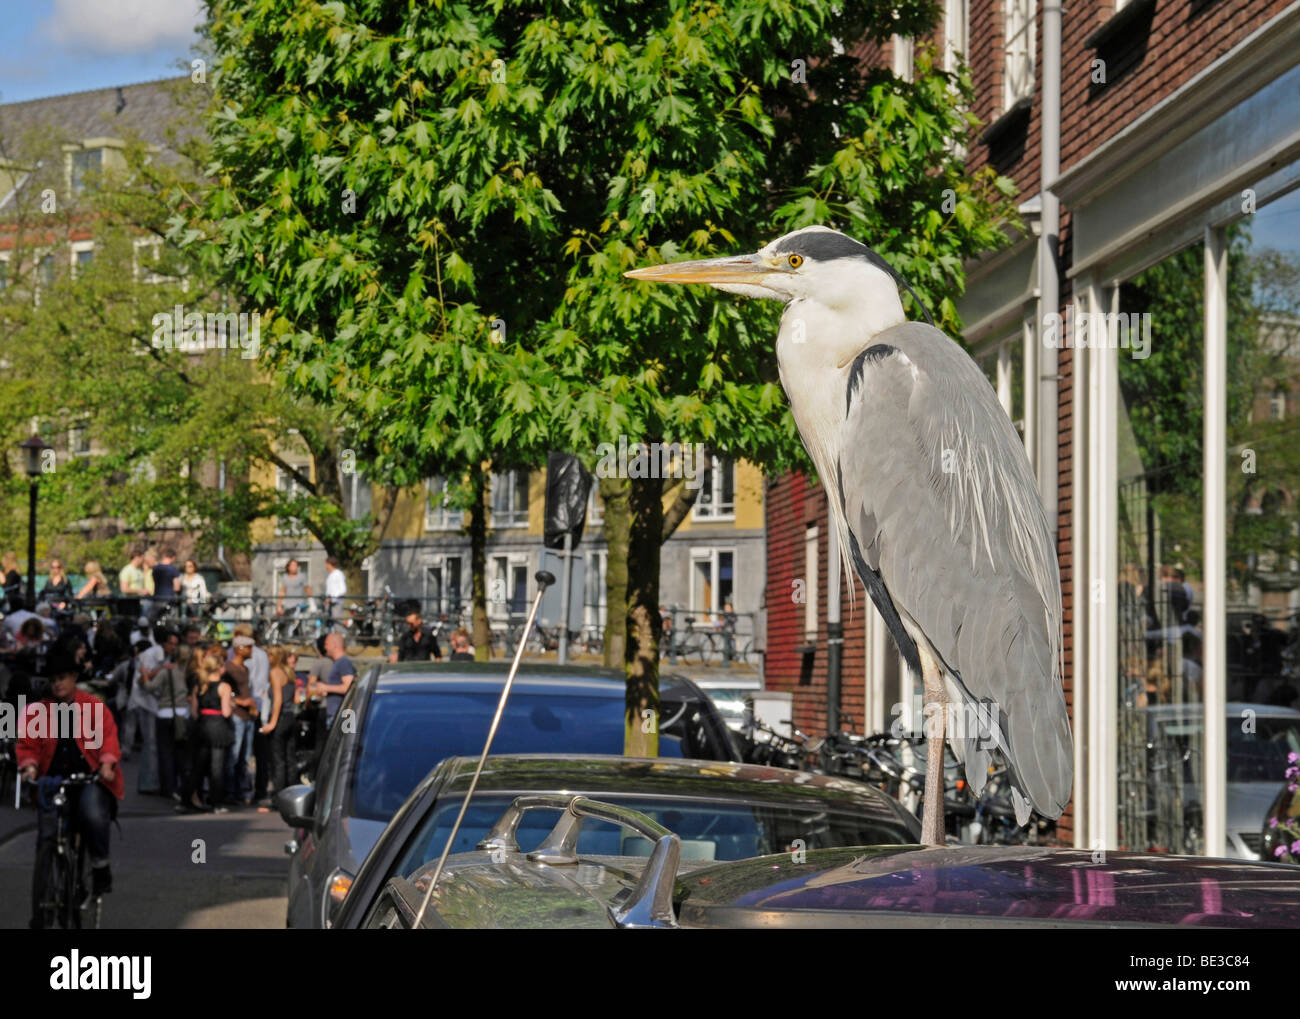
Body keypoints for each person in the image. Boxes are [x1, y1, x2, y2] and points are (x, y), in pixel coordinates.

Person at [17, 651, 124, 927]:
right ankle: (42, 901)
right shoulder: (40, 710)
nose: (57, 684)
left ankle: (100, 865)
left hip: (88, 776)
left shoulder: (92, 706)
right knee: (47, 834)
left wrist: (107, 764)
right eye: (52, 680)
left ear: (74, 678)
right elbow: (27, 744)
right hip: (53, 779)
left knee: (92, 813)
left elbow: (109, 739)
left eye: (62, 678)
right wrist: (29, 766)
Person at [141, 641, 193, 806]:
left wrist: (144, 674)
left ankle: (168, 787)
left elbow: (149, 687)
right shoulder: (189, 673)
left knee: (165, 753)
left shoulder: (167, 672)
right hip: (183, 714)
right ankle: (182, 785)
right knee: (181, 753)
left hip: (165, 713)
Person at [189, 649, 233, 812]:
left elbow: (194, 712)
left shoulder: (199, 685)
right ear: (219, 668)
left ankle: (189, 798)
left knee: (198, 766)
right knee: (217, 768)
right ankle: (216, 802)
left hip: (202, 726)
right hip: (218, 727)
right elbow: (226, 711)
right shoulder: (224, 687)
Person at [222, 636, 258, 805]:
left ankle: (240, 791)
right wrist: (240, 701)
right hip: (237, 715)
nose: (252, 650)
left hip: (247, 716)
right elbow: (224, 691)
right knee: (234, 756)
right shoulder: (229, 668)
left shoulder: (244, 668)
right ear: (239, 648)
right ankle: (229, 791)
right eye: (249, 647)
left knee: (245, 757)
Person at [261, 646, 298, 796]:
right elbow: (294, 698)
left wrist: (272, 722)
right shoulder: (289, 672)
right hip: (290, 717)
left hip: (281, 717)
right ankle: (293, 792)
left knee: (278, 760)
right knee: (290, 758)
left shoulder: (275, 672)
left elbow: (278, 699)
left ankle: (279, 796)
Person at [311, 631, 355, 728]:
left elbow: (348, 687)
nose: (325, 647)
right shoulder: (337, 662)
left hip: (341, 717)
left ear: (334, 645)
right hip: (336, 714)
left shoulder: (343, 662)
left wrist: (326, 687)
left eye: (326, 644)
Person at [276, 559, 311, 634]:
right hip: (288, 605)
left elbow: (307, 589)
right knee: (285, 622)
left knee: (296, 622)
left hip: (299, 605)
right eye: (292, 565)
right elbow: (282, 591)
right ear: (288, 567)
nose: (294, 567)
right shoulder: (285, 577)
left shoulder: (302, 576)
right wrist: (279, 606)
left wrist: (311, 602)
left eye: (296, 565)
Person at [150, 546, 181, 623]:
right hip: (169, 600)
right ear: (173, 557)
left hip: (157, 598)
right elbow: (177, 587)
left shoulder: (155, 568)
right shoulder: (173, 569)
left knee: (154, 621)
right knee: (170, 623)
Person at [323, 557, 347, 631]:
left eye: (326, 564)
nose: (325, 566)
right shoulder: (331, 574)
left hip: (336, 602)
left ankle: (340, 637)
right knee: (331, 621)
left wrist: (332, 597)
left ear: (329, 564)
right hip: (331, 602)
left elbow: (343, 589)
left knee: (337, 621)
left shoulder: (338, 574)